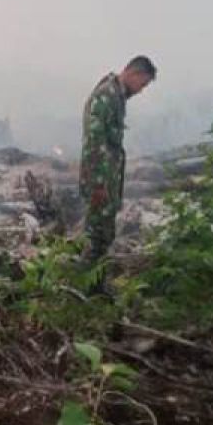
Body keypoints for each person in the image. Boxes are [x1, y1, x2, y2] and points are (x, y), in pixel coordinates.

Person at [79, 55, 156, 292]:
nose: (141, 90)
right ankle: (84, 287)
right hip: (100, 182)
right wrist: (100, 185)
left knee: (105, 234)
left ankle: (95, 285)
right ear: (133, 73)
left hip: (108, 180)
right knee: (96, 236)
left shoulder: (118, 96)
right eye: (142, 84)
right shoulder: (106, 96)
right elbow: (95, 143)